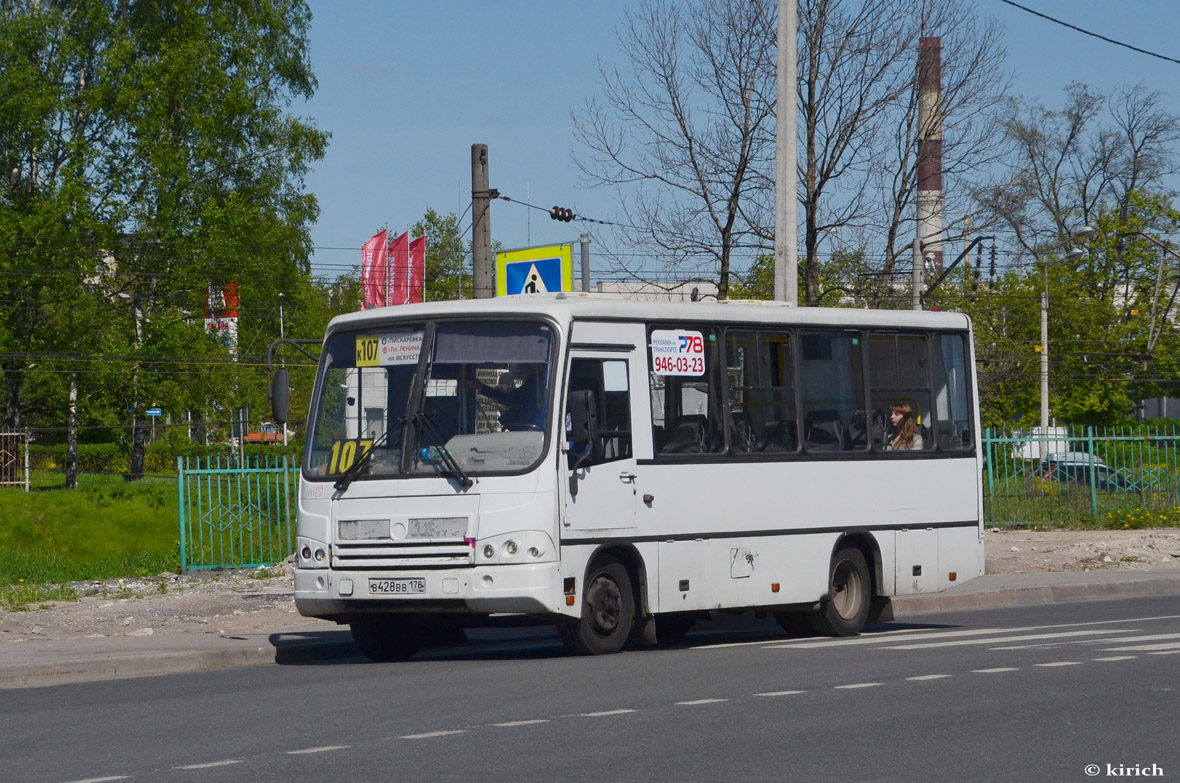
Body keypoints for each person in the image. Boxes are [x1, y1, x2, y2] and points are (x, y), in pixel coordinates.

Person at [465, 367, 546, 430]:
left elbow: (510, 399)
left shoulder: (537, 381)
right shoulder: (539, 379)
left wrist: (481, 387)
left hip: (527, 429)